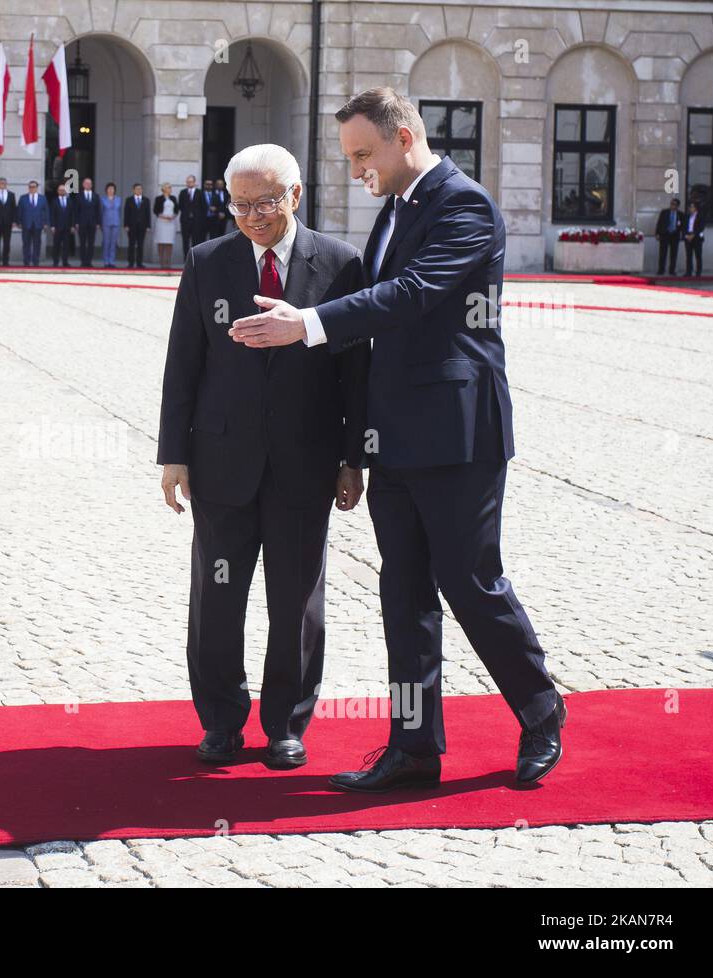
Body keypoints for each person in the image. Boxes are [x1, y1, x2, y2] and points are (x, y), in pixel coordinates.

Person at [228, 87, 565, 791]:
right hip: (396, 436)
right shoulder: (396, 209)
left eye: (362, 154)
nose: (355, 169)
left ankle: (540, 711)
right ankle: (414, 747)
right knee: (403, 591)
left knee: (470, 582)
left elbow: (413, 293)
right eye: (348, 156)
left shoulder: (464, 205)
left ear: (404, 136)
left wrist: (309, 322)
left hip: (458, 431)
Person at [157, 143, 370, 769]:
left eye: (265, 203)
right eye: (240, 204)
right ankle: (221, 721)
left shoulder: (339, 264)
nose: (251, 216)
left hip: (305, 465)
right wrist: (174, 455)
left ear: (296, 196)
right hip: (222, 464)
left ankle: (286, 723)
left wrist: (353, 456)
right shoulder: (208, 262)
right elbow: (183, 366)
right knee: (217, 599)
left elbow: (355, 371)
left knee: (296, 602)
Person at [17, 179, 49, 267]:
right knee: (26, 244)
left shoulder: (42, 198)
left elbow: (46, 211)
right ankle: (26, 262)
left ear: (37, 188)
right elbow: (19, 211)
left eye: (34, 187)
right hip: (26, 224)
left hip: (38, 224)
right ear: (28, 188)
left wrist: (45, 223)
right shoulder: (23, 198)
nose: (32, 188)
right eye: (30, 187)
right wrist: (19, 222)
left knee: (37, 244)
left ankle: (36, 262)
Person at [72, 176, 100, 267]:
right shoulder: (78, 196)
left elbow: (98, 210)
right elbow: (76, 210)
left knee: (91, 243)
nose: (88, 185)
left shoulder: (96, 196)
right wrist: (76, 222)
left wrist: (98, 223)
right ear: (83, 185)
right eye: (86, 183)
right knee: (82, 243)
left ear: (92, 185)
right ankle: (83, 261)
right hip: (82, 223)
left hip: (92, 223)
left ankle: (89, 261)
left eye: (90, 183)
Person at [123, 182, 152, 269]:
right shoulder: (129, 200)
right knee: (131, 244)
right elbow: (126, 213)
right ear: (133, 190)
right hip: (131, 226)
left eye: (140, 189)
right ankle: (131, 263)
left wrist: (148, 226)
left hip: (142, 226)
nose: (139, 190)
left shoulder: (146, 200)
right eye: (137, 189)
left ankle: (139, 263)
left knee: (140, 245)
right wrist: (126, 225)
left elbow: (148, 214)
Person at [153, 182, 178, 268]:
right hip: (161, 222)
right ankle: (161, 262)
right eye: (168, 187)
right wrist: (163, 216)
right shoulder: (158, 198)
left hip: (170, 223)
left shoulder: (173, 198)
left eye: (170, 187)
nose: (170, 189)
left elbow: (177, 210)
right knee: (161, 242)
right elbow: (155, 210)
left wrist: (173, 216)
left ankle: (168, 261)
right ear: (164, 189)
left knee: (169, 242)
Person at [655, 198, 683, 276]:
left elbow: (682, 225)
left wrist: (681, 234)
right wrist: (657, 233)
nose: (672, 206)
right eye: (671, 204)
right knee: (663, 253)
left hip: (675, 235)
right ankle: (661, 270)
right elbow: (659, 223)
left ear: (677, 206)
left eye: (674, 205)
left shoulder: (680, 214)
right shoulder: (664, 212)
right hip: (665, 234)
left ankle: (672, 270)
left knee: (673, 254)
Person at [49, 183, 74, 267]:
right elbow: (52, 214)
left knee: (66, 246)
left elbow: (72, 214)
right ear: (57, 191)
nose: (62, 191)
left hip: (67, 227)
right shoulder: (54, 201)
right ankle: (55, 262)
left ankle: (65, 262)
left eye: (63, 190)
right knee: (56, 245)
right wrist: (52, 226)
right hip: (57, 227)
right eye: (60, 190)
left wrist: (72, 226)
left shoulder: (70, 201)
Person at [178, 174, 202, 256]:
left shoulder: (199, 192)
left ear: (194, 182)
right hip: (185, 221)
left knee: (196, 241)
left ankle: (195, 260)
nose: (189, 183)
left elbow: (202, 206)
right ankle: (186, 259)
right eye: (188, 182)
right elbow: (180, 206)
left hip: (196, 221)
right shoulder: (183, 192)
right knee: (185, 241)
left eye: (191, 182)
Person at [99, 182, 122, 268]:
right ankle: (106, 261)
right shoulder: (102, 199)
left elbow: (119, 211)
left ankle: (112, 261)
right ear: (106, 190)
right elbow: (101, 212)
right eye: (109, 189)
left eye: (112, 189)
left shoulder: (118, 199)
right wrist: (100, 224)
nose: (111, 190)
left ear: (114, 190)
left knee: (113, 243)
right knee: (106, 242)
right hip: (106, 223)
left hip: (115, 223)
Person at [683, 199, 706, 276]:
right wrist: (686, 235)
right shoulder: (687, 216)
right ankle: (688, 271)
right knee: (688, 255)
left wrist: (693, 234)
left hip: (697, 238)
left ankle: (698, 272)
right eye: (689, 207)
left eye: (692, 207)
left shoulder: (700, 216)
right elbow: (684, 227)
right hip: (688, 237)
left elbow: (701, 227)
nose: (690, 208)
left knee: (698, 255)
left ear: (696, 208)